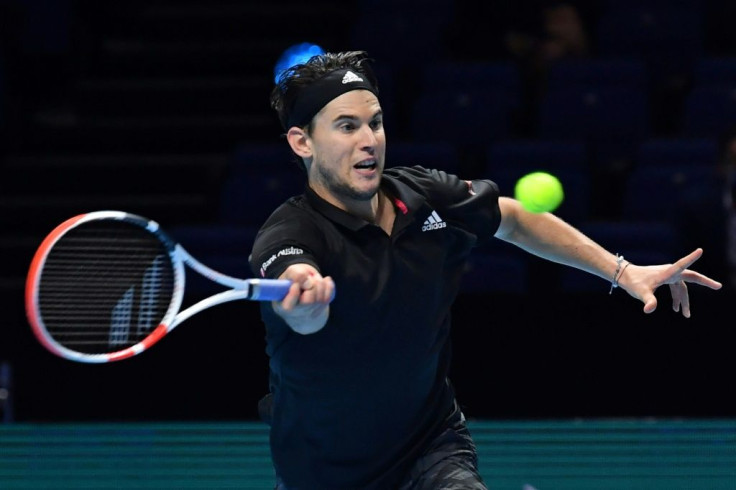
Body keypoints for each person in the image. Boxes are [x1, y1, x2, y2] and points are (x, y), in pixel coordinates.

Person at [248, 50, 722, 490]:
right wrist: (304, 298)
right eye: (347, 126)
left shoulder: (424, 195)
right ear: (302, 141)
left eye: (375, 122)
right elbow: (298, 297)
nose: (369, 140)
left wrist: (622, 271)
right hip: (323, 473)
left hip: (429, 447)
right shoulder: (290, 233)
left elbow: (513, 218)